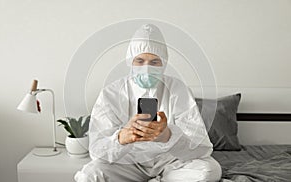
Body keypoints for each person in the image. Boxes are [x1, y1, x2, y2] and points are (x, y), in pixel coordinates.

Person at [75, 24, 222, 182]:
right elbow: (96, 152)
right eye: (140, 61)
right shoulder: (111, 93)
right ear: (131, 61)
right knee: (88, 176)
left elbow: (201, 148)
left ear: (164, 63)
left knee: (209, 171)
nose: (146, 68)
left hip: (171, 162)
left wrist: (168, 135)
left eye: (154, 62)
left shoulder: (178, 90)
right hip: (128, 163)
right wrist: (121, 138)